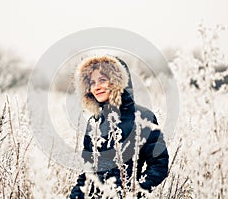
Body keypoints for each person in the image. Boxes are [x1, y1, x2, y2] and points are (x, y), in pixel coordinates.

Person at [70, 55, 169, 198]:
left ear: (117, 82)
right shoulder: (94, 122)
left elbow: (159, 165)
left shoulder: (142, 117)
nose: (96, 86)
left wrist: (135, 193)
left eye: (102, 80)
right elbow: (88, 174)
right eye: (92, 82)